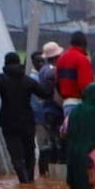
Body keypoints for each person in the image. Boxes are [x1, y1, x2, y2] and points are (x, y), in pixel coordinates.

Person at [0, 51, 52, 184]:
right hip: (27, 120)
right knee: (29, 151)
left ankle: (23, 180)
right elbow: (45, 94)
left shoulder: (1, 79)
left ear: (5, 64)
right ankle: (30, 181)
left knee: (15, 154)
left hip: (8, 122)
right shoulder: (27, 80)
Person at [34, 42, 65, 172]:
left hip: (47, 110)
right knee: (59, 143)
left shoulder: (43, 70)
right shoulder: (52, 71)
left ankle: (50, 173)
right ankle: (58, 172)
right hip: (56, 110)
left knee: (52, 142)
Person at [54, 32, 93, 116]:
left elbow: (57, 83)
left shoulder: (61, 58)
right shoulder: (82, 59)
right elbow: (85, 86)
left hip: (66, 103)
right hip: (79, 104)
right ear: (84, 44)